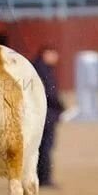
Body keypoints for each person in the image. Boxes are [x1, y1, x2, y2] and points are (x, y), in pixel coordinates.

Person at [33, 45, 64, 187]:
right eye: (54, 54)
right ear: (46, 54)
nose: (56, 58)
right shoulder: (44, 70)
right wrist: (60, 106)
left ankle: (36, 177)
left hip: (35, 114)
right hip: (46, 115)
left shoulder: (33, 68)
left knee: (36, 148)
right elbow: (50, 93)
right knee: (45, 147)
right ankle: (44, 178)